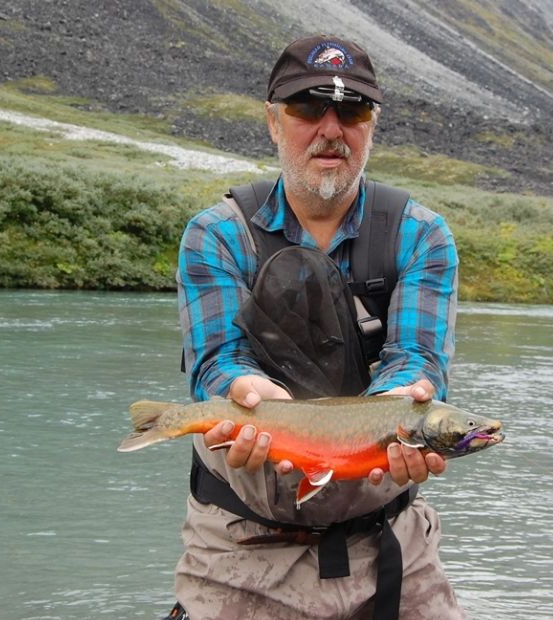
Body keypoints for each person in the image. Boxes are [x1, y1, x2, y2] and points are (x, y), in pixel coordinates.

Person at [174, 35, 462, 619]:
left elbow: (418, 358)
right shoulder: (215, 235)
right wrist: (247, 393)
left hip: (391, 547)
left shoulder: (423, 236)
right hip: (240, 544)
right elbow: (216, 361)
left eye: (352, 110)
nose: (331, 128)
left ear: (372, 124)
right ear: (273, 122)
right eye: (308, 108)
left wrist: (401, 402)